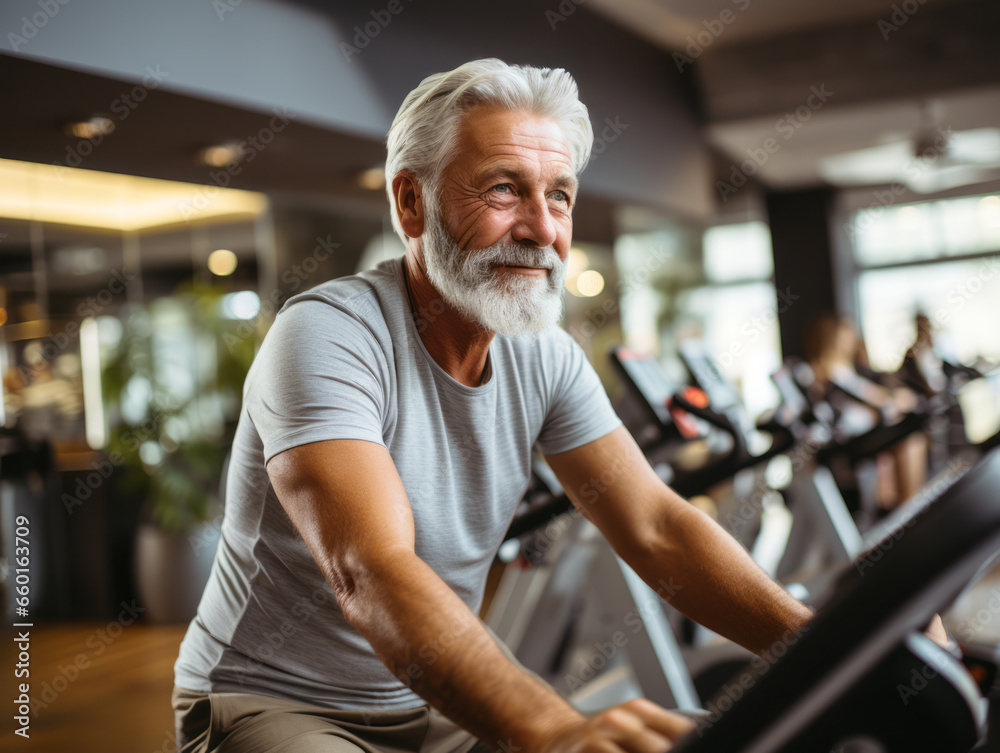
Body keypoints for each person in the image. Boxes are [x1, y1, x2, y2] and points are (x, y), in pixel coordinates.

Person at [171, 58, 822, 753]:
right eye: (504, 189)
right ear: (411, 203)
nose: (542, 228)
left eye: (559, 196)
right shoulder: (328, 335)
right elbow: (371, 569)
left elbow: (656, 526)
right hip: (278, 699)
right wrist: (555, 728)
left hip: (426, 697)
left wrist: (825, 644)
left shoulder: (544, 354)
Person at [805, 314, 927, 511]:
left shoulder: (845, 370)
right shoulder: (832, 373)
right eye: (845, 338)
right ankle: (910, 509)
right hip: (849, 441)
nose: (851, 342)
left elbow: (872, 395)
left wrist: (893, 398)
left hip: (863, 431)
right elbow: (872, 398)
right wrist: (894, 399)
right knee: (910, 438)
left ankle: (908, 508)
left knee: (910, 436)